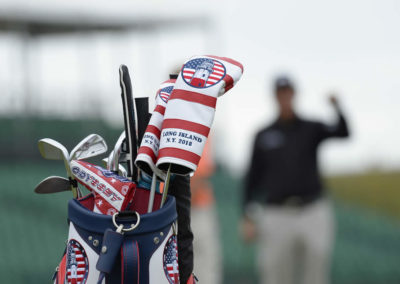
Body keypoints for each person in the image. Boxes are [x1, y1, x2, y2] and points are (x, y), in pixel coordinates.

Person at [241, 76, 350, 284]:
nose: (285, 97)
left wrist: (338, 107)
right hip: (276, 214)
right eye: (280, 93)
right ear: (275, 97)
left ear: (294, 94)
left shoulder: (311, 128)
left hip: (312, 211)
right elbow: (251, 179)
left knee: (315, 274)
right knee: (275, 274)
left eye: (288, 92)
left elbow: (343, 132)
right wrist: (247, 216)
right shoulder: (263, 135)